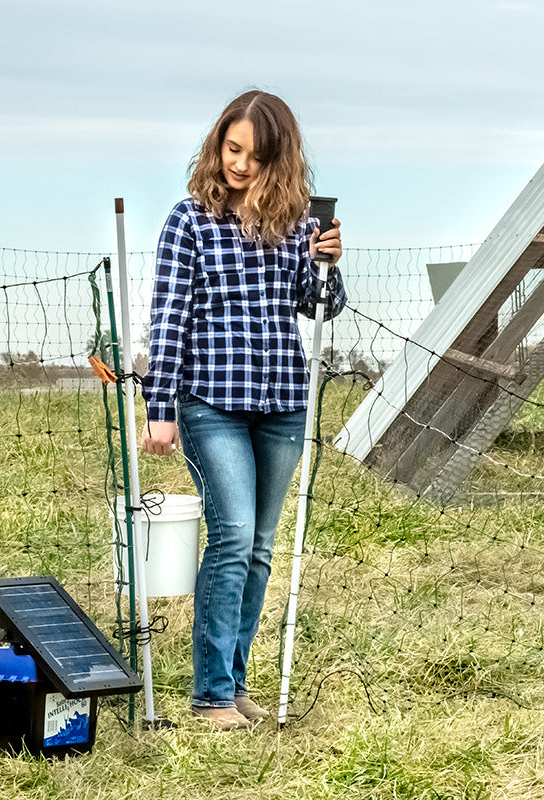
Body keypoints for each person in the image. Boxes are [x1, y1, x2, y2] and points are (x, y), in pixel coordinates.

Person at [140, 90, 347, 730]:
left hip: (283, 402)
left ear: (277, 161)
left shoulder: (299, 225)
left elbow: (320, 307)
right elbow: (168, 319)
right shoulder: (188, 220)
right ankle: (209, 696)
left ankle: (234, 684)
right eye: (232, 149)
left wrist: (330, 265)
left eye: (254, 157)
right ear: (218, 145)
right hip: (212, 405)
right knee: (230, 537)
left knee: (259, 546)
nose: (239, 164)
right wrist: (160, 407)